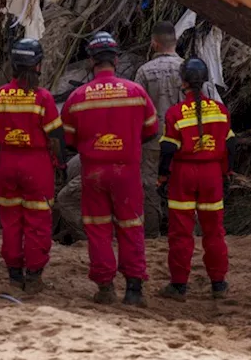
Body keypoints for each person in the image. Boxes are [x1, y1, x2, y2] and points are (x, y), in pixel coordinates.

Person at [61, 30, 159, 306]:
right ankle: (134, 290)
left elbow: (68, 141)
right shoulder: (136, 92)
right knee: (131, 227)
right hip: (127, 171)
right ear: (115, 59)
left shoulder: (77, 97)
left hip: (92, 173)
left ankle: (105, 288)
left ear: (91, 61)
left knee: (98, 229)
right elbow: (151, 132)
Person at [0, 38, 65, 295]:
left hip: (7, 164)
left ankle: (13, 274)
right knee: (37, 222)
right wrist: (60, 163)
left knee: (10, 221)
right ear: (38, 66)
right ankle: (33, 277)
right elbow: (55, 138)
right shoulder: (42, 98)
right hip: (36, 166)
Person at [157, 57, 235, 301]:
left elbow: (168, 149)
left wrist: (162, 177)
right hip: (212, 174)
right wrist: (226, 172)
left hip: (184, 175)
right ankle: (219, 284)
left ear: (183, 82)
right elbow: (230, 144)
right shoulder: (221, 111)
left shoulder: (175, 113)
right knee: (214, 232)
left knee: (181, 232)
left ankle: (179, 286)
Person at [134, 21, 184, 237]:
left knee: (149, 186)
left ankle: (152, 235)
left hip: (153, 140)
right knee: (182, 185)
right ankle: (183, 231)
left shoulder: (144, 72)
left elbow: (137, 110)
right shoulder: (188, 68)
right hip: (184, 139)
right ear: (176, 41)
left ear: (154, 43)